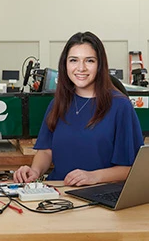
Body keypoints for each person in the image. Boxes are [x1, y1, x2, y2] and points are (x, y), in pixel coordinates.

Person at [14, 31, 144, 186]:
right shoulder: (57, 103)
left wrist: (93, 177)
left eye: (89, 61)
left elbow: (133, 168)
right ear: (65, 64)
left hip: (99, 196)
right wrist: (34, 171)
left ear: (100, 65)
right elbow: (46, 151)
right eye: (73, 60)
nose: (80, 68)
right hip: (58, 194)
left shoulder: (120, 107)